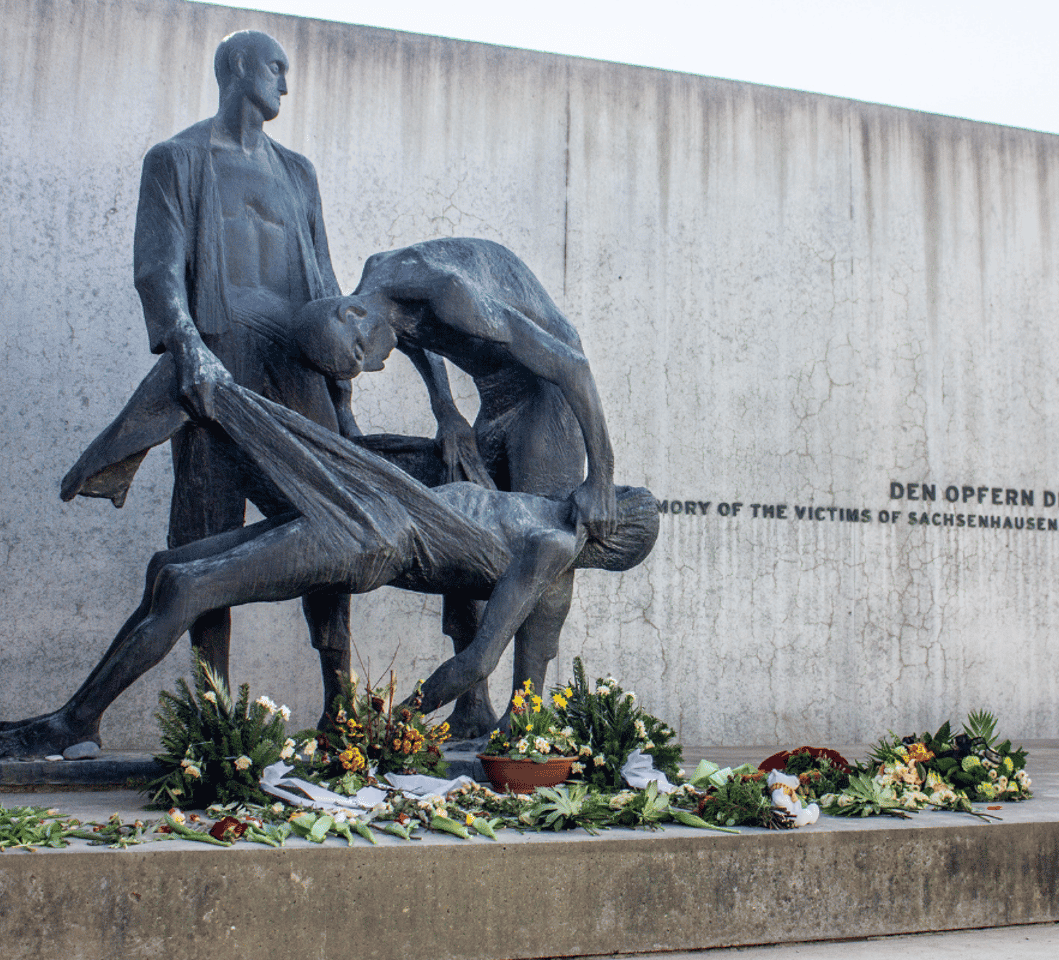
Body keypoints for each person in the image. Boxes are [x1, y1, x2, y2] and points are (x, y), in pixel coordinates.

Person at [0, 374, 658, 759]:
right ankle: (76, 718)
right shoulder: (544, 512)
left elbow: (481, 661)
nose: (606, 487)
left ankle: (73, 724)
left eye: (619, 497)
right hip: (379, 503)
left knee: (185, 584)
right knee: (168, 566)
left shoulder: (550, 551)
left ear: (615, 530)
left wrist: (395, 723)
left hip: (377, 537)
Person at [132, 30, 360, 713]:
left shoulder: (299, 172)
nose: (285, 84)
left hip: (296, 371)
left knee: (334, 529)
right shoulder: (176, 159)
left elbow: (324, 283)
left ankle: (342, 709)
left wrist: (341, 394)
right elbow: (157, 270)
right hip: (219, 367)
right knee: (207, 537)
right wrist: (187, 346)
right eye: (276, 68)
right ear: (237, 67)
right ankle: (213, 716)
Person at [340, 237, 620, 737]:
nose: (372, 369)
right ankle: (472, 708)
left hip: (547, 396)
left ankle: (526, 709)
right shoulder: (378, 283)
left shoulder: (448, 292)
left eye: (361, 356)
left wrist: (602, 477)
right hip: (496, 400)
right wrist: (445, 409)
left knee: (549, 538)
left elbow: (571, 365)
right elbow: (408, 334)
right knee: (460, 535)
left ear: (354, 316)